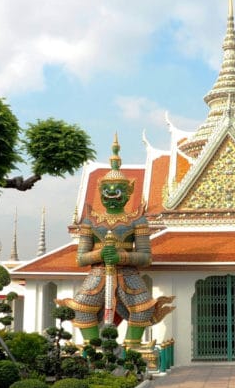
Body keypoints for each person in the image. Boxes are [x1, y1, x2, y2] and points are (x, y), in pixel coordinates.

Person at [61, 135, 170, 347]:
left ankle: (132, 349)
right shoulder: (91, 221)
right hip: (99, 273)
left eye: (118, 192)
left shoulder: (137, 220)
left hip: (128, 274)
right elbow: (81, 259)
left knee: (143, 308)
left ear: (129, 192)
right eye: (107, 192)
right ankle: (93, 350)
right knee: (82, 308)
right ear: (100, 192)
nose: (112, 196)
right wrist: (100, 254)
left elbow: (146, 257)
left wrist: (121, 256)